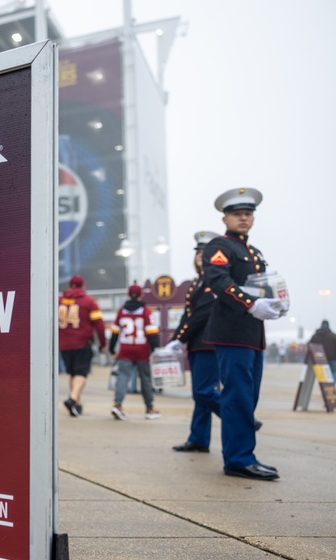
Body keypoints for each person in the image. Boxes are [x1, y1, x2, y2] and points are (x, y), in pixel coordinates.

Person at [202, 187, 285, 481]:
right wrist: (251, 303)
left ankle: (244, 454)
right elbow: (217, 280)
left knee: (249, 398)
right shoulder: (219, 246)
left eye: (248, 214)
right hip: (232, 331)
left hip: (251, 333)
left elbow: (261, 285)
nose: (244, 218)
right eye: (237, 214)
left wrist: (274, 302)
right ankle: (238, 459)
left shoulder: (254, 251)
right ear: (225, 218)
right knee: (237, 397)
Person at [166, 231, 221, 451]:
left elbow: (202, 313)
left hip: (209, 343)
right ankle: (198, 439)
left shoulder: (212, 278)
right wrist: (175, 339)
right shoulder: (198, 281)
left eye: (205, 251)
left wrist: (181, 338)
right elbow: (187, 315)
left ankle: (239, 418)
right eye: (198, 251)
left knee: (204, 392)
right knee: (201, 396)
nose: (200, 255)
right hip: (198, 344)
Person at [108, 284, 161, 420]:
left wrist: (111, 348)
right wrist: (155, 349)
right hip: (142, 350)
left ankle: (117, 405)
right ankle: (149, 408)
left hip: (125, 349)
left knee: (123, 377)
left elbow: (114, 332)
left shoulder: (121, 311)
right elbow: (152, 333)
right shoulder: (146, 311)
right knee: (145, 379)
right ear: (141, 295)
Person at [58, 274, 107, 417]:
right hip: (81, 343)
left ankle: (76, 405)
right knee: (81, 373)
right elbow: (99, 325)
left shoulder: (59, 301)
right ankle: (73, 398)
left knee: (73, 374)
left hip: (64, 345)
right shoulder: (89, 302)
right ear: (83, 286)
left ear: (69, 286)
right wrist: (103, 344)